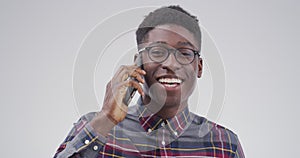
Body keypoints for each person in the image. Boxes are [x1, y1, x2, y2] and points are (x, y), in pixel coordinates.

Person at [54, 5, 245, 158]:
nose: (170, 63)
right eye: (157, 52)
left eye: (185, 53)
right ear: (138, 63)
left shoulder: (225, 144)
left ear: (199, 67)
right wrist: (105, 119)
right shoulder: (94, 126)